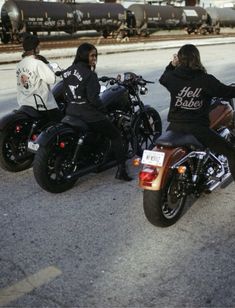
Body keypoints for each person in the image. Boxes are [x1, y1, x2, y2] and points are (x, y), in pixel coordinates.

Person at [159, 43, 235, 180]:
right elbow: (226, 92)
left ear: (179, 60)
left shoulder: (173, 77)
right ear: (197, 58)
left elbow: (163, 78)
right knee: (231, 152)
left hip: (175, 126)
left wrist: (172, 64)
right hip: (197, 128)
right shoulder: (206, 80)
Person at [61, 42, 132, 181]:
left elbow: (64, 94)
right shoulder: (90, 75)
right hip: (88, 114)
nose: (94, 59)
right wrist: (104, 110)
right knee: (116, 135)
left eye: (95, 56)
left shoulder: (67, 71)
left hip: (71, 111)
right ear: (83, 55)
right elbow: (94, 99)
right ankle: (122, 171)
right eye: (92, 55)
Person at [16, 33, 61, 121]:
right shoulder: (38, 63)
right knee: (60, 123)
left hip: (24, 104)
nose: (39, 48)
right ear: (34, 48)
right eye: (38, 46)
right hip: (42, 106)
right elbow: (52, 79)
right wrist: (47, 64)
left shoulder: (19, 64)